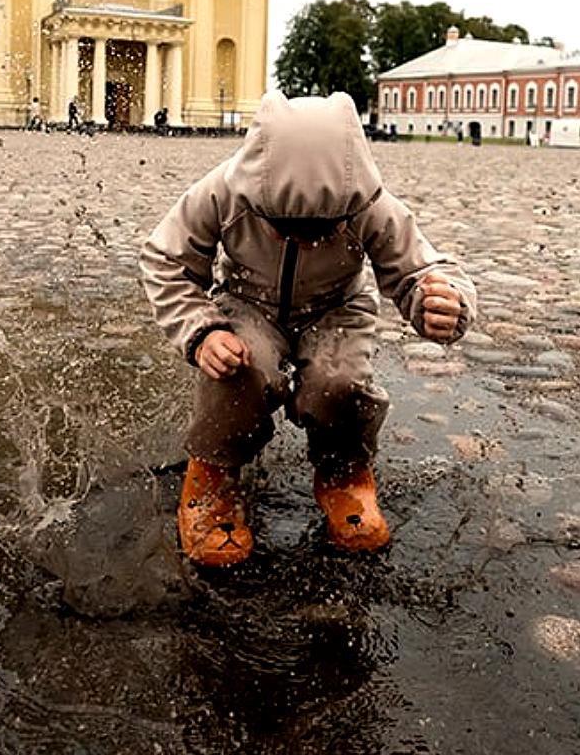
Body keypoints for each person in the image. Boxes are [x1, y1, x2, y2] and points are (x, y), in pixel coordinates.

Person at [141, 91, 476, 569]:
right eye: (286, 225)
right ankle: (214, 473)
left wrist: (441, 303)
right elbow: (166, 260)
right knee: (240, 368)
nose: (306, 239)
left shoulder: (368, 204)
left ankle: (344, 473)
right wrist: (201, 331)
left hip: (336, 307)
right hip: (247, 301)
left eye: (324, 228)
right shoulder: (223, 191)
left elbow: (422, 269)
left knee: (338, 384)